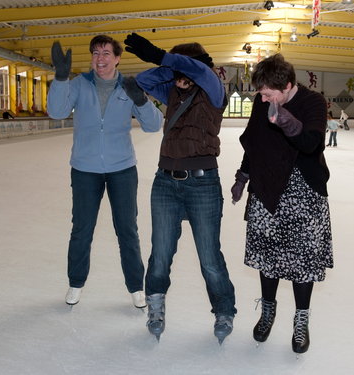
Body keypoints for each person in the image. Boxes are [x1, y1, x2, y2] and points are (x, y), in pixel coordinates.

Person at [124, 33, 237, 344]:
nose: (181, 77)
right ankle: (156, 307)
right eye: (178, 72)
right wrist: (169, 68)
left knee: (209, 257)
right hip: (165, 183)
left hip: (203, 184)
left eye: (186, 70)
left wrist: (168, 58)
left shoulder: (213, 90)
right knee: (160, 253)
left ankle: (224, 310)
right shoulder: (173, 89)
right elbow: (144, 79)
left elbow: (202, 72)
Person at [46, 36, 163, 308]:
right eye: (96, 53)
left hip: (122, 169)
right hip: (85, 169)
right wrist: (61, 78)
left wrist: (141, 100)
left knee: (127, 230)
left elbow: (153, 126)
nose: (101, 58)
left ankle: (136, 287)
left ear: (117, 58)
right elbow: (57, 111)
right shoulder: (78, 84)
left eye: (107, 53)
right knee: (82, 230)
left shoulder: (128, 86)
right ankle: (76, 283)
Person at [230, 54, 333, 354]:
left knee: (303, 260)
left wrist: (286, 120)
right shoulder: (262, 104)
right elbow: (254, 143)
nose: (261, 99)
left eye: (267, 93)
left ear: (287, 86)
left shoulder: (313, 102)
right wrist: (242, 175)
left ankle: (301, 320)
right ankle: (268, 311)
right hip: (266, 187)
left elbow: (311, 143)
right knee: (268, 255)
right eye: (260, 92)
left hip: (304, 192)